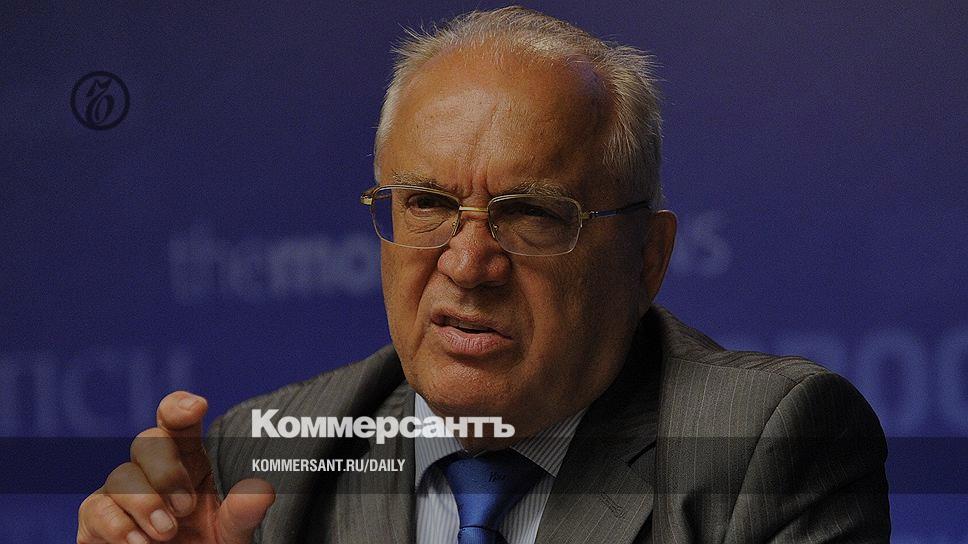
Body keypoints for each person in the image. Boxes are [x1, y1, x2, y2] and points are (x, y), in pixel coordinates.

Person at [77, 6, 890, 544]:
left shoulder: (763, 450)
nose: (467, 264)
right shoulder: (260, 462)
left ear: (648, 256)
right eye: (428, 204)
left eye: (532, 214)